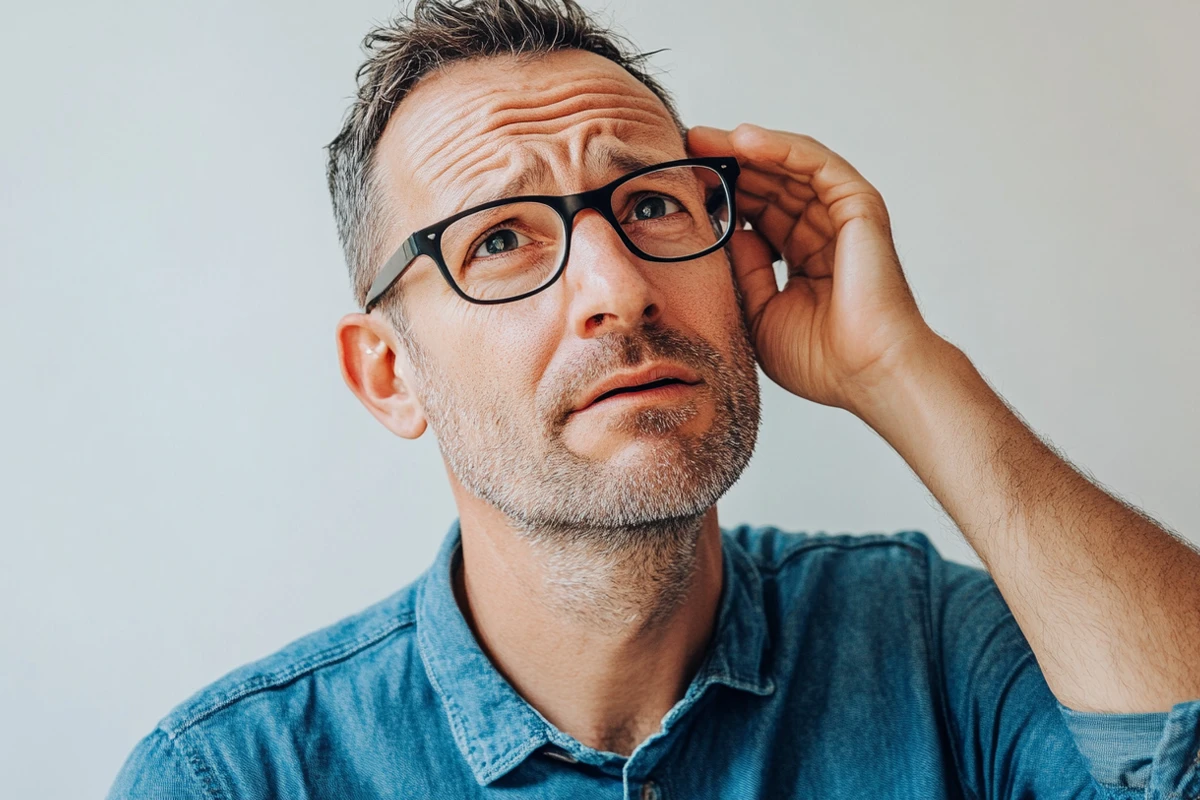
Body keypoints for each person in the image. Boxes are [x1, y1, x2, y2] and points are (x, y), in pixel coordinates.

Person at [107, 1, 1200, 797]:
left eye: (653, 207)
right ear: (390, 373)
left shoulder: (931, 649)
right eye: (498, 237)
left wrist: (902, 370)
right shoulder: (232, 776)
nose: (618, 288)